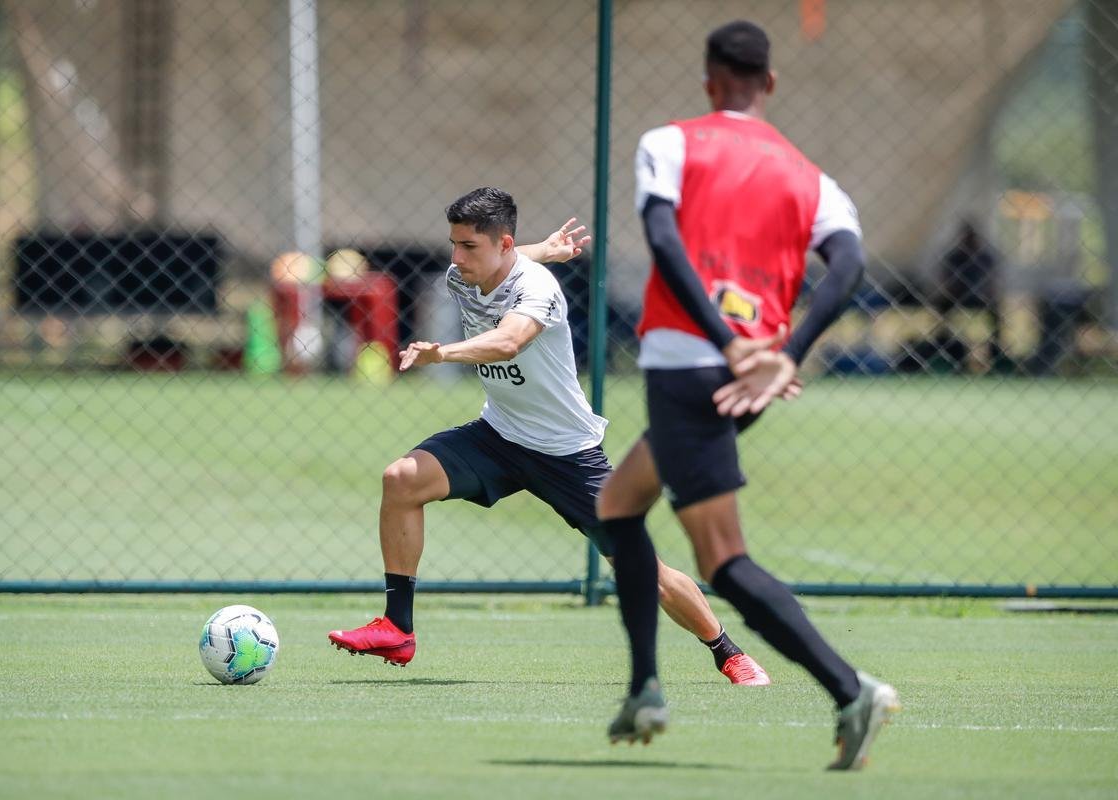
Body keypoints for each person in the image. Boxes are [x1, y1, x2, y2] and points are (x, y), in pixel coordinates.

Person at [598, 21, 900, 769]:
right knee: (618, 504)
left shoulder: (670, 142)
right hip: (749, 377)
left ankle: (849, 688)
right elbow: (851, 264)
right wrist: (784, 353)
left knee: (723, 557)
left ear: (708, 81)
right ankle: (644, 686)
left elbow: (663, 243)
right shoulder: (810, 174)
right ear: (769, 84)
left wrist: (726, 340)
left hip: (691, 367)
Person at [329, 187, 771, 687]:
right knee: (402, 479)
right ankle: (397, 628)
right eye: (453, 243)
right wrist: (546, 246)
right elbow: (510, 257)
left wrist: (442, 354)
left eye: (468, 245)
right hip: (498, 436)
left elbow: (509, 341)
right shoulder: (464, 274)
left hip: (567, 453)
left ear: (502, 243)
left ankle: (727, 651)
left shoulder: (538, 289)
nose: (455, 257)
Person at [934, 219, 1003, 371]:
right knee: (941, 309)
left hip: (981, 299)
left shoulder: (985, 258)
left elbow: (993, 282)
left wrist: (987, 293)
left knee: (998, 313)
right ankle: (945, 349)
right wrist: (953, 291)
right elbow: (945, 281)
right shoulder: (955, 257)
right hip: (958, 297)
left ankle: (997, 353)